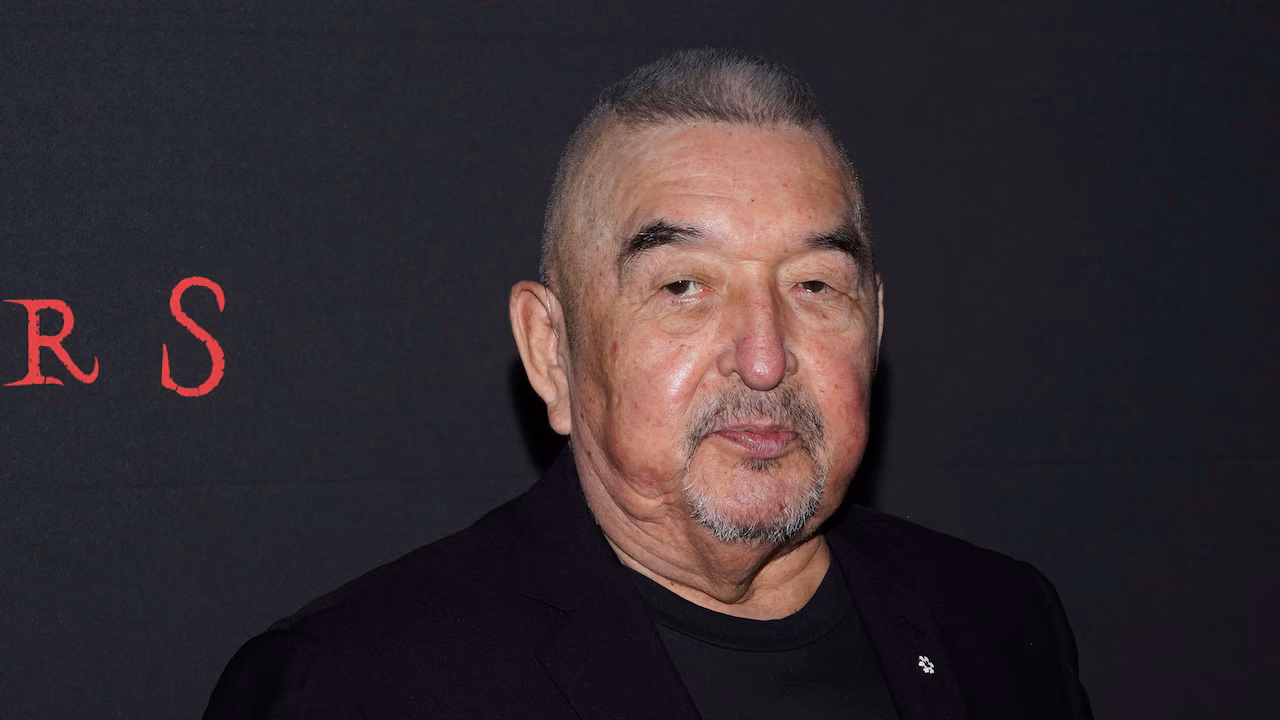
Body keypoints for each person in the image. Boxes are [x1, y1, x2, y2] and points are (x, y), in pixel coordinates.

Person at [204, 49, 1093, 719]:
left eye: (815, 287)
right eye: (684, 287)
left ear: (876, 326)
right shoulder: (356, 688)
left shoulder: (998, 624)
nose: (763, 358)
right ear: (551, 350)